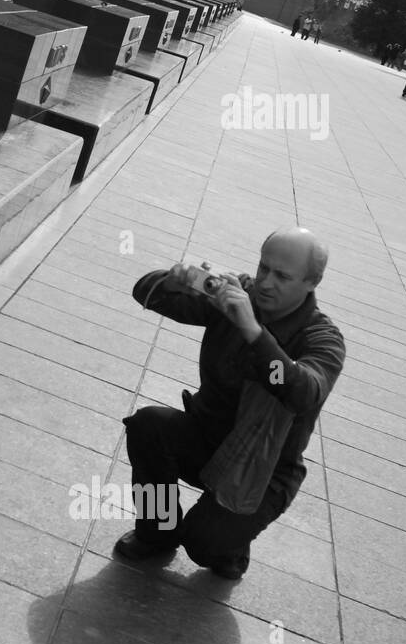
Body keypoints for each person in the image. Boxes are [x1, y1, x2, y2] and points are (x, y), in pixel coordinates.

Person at [116, 228, 345, 579]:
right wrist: (172, 282)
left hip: (263, 470)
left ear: (312, 282)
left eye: (282, 276)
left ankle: (232, 543)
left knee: (204, 545)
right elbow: (146, 294)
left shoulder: (323, 338)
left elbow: (301, 392)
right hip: (207, 437)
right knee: (148, 426)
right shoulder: (237, 294)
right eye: (264, 267)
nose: (266, 282)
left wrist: (253, 331)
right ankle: (157, 532)